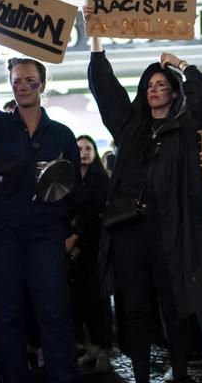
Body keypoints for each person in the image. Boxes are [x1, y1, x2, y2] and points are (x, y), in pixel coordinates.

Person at [85, 4, 202, 381]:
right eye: (149, 86)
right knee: (136, 308)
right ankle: (141, 376)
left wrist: (179, 63)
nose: (154, 90)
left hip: (173, 230)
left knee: (175, 304)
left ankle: (179, 373)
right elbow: (105, 87)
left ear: (174, 92)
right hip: (130, 230)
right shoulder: (129, 127)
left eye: (162, 85)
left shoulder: (188, 126)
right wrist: (94, 34)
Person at [0, 13, 82, 382]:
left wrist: (70, 233)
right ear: (10, 84)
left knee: (53, 311)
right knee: (7, 314)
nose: (23, 86)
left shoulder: (62, 134)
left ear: (42, 83)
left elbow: (75, 190)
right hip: (2, 231)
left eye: (29, 80)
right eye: (17, 81)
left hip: (45, 232)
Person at [67, 135, 114, 372]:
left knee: (99, 299)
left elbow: (96, 213)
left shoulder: (100, 180)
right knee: (80, 299)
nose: (83, 152)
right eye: (79, 148)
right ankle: (91, 346)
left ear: (95, 152)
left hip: (95, 247)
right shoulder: (70, 179)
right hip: (75, 251)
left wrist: (76, 237)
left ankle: (105, 348)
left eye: (88, 148)